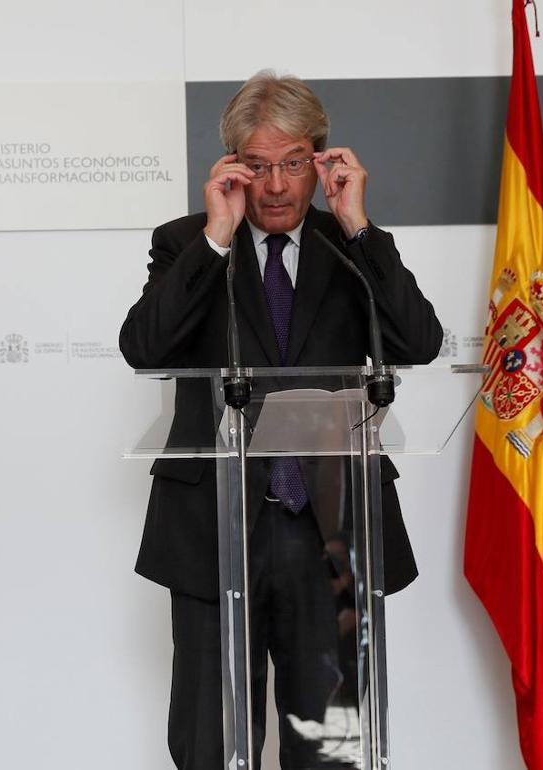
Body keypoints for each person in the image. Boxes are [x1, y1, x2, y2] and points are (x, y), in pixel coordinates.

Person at [118, 71, 442, 768]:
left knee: (330, 746)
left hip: (330, 529)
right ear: (233, 166)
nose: (273, 186)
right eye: (257, 166)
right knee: (209, 740)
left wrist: (358, 225)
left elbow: (418, 342)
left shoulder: (348, 245)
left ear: (320, 161)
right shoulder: (188, 243)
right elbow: (144, 349)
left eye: (292, 164)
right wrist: (216, 236)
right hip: (215, 528)